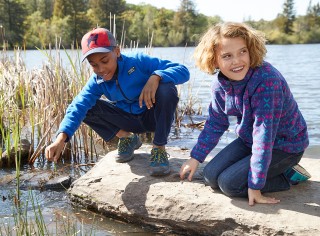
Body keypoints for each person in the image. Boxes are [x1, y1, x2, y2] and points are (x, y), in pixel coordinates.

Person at [179, 22, 309, 205]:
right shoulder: (220, 85)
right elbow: (216, 123)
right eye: (227, 56)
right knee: (210, 176)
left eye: (242, 51)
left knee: (229, 185)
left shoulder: (267, 81)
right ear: (214, 60)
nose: (237, 61)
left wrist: (255, 185)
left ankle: (288, 175)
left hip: (285, 145)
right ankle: (260, 171)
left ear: (251, 50)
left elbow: (264, 136)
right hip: (249, 139)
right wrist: (195, 158)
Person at [45, 27, 190, 176]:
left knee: (167, 89)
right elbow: (78, 106)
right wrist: (61, 138)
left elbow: (183, 71)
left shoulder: (138, 61)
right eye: (94, 65)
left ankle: (159, 149)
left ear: (117, 51)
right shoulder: (97, 81)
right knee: (85, 107)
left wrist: (157, 76)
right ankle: (127, 138)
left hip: (152, 117)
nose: (101, 69)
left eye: (105, 60)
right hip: (128, 120)